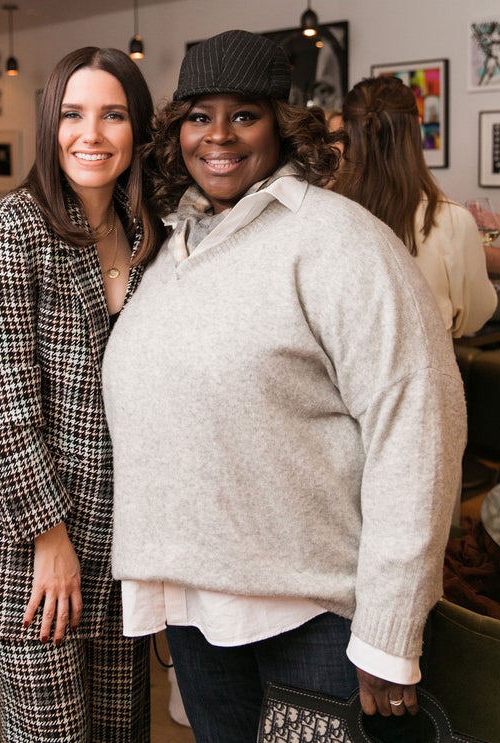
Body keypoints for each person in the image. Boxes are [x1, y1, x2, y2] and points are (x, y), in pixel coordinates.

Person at [102, 30, 467, 743]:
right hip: (199, 614)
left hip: (315, 621)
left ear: (283, 124)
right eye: (199, 116)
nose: (219, 136)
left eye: (245, 115)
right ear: (176, 132)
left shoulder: (338, 239)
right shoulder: (175, 248)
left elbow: (417, 422)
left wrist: (391, 629)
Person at [0, 46, 162, 743]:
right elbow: (4, 411)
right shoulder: (9, 235)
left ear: (139, 130)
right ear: (49, 124)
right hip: (35, 540)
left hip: (122, 539)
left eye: (113, 114)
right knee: (53, 736)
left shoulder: (146, 234)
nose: (91, 134)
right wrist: (49, 539)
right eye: (72, 114)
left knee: (121, 732)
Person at [332, 75, 497, 338]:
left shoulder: (323, 215)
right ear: (417, 128)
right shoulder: (451, 219)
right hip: (428, 373)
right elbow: (476, 316)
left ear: (346, 131)